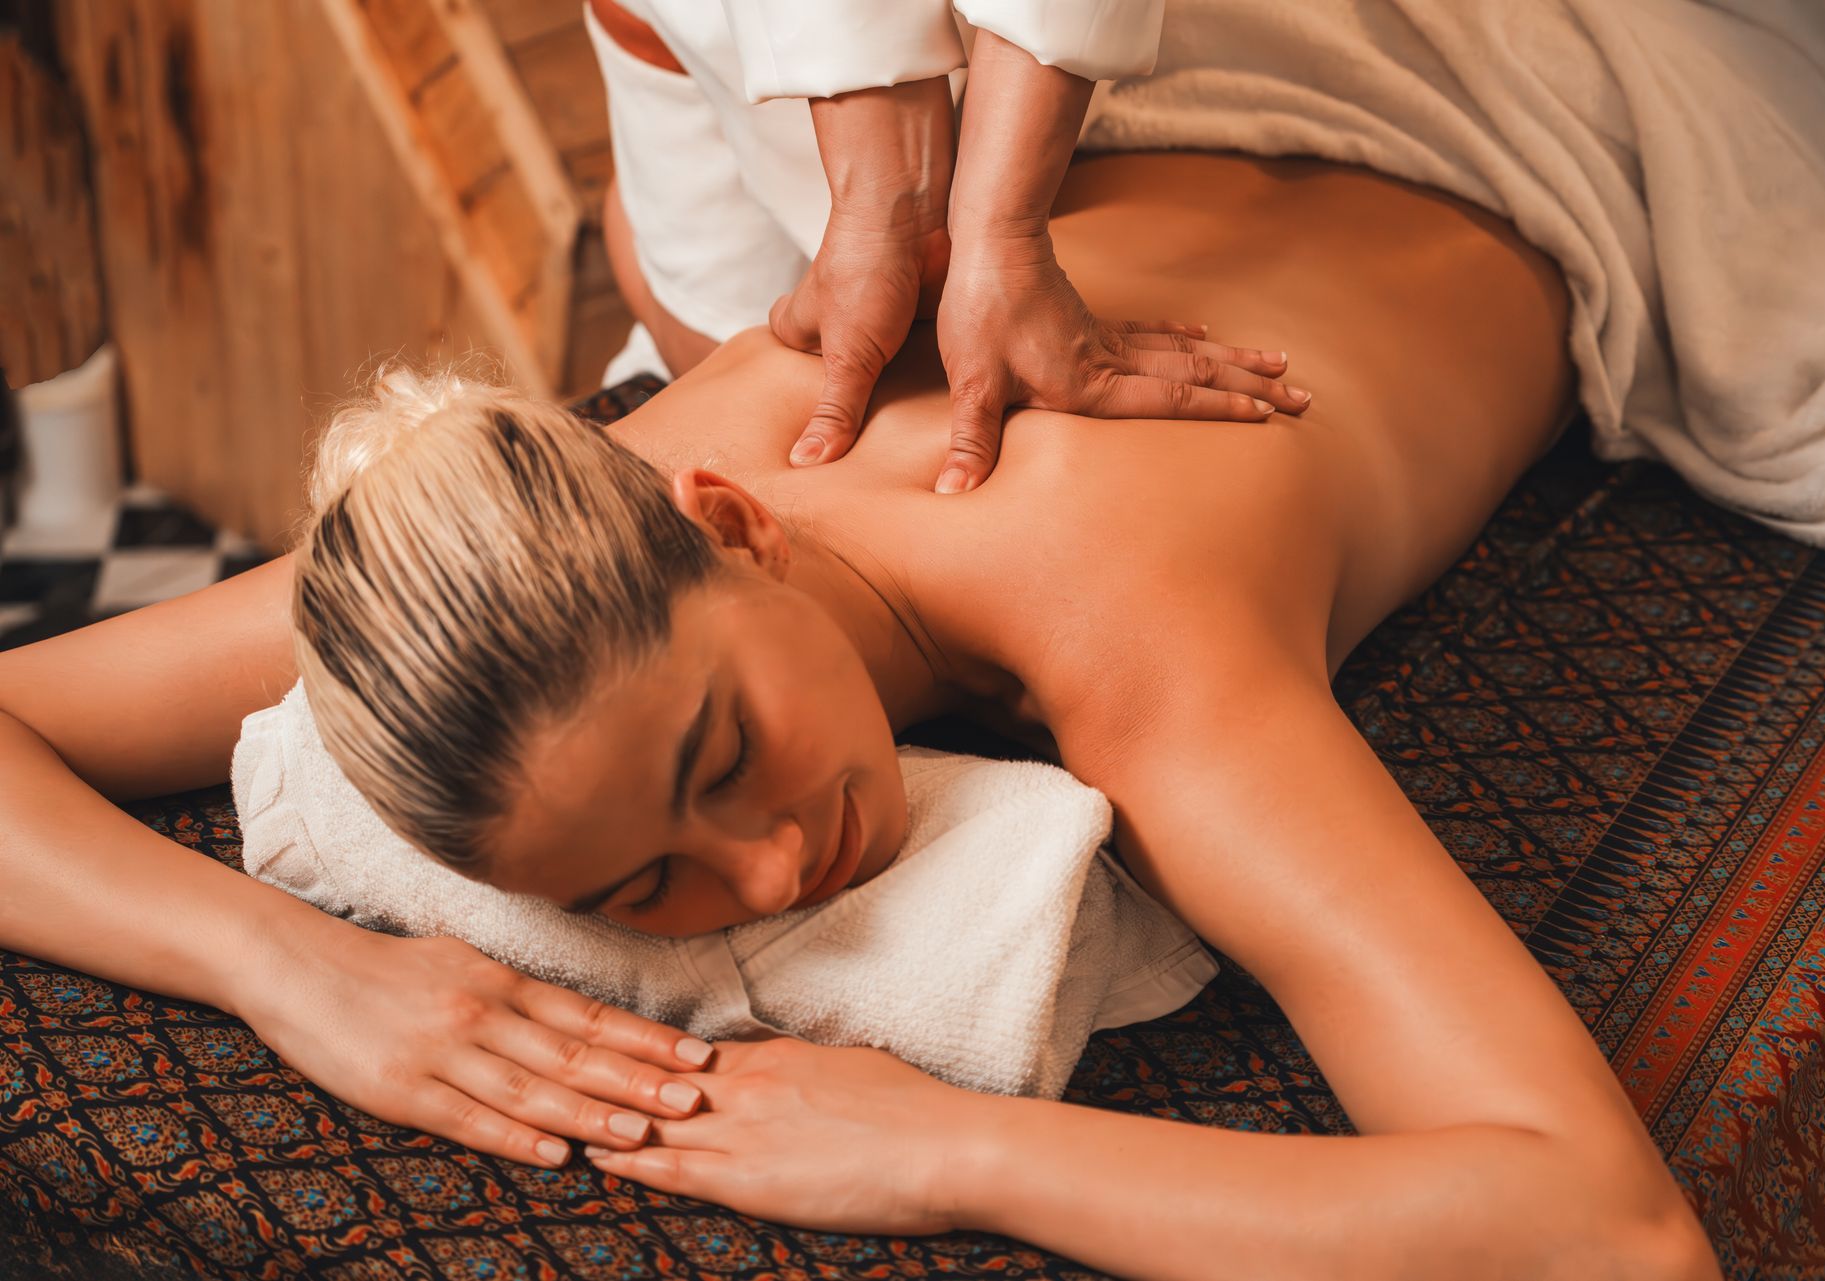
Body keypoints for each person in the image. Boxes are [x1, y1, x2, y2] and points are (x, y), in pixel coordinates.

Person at [0, 148, 1724, 1278]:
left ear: (729, 515)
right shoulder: (541, 536)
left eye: (722, 758)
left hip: (1515, 136)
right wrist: (286, 961)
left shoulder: (1129, 626)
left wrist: (958, 1153)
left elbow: (1602, 1224)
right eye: (634, 894)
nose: (766, 880)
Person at [590, 0, 1312, 496]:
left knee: (719, 329)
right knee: (702, 317)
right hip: (679, 37)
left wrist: (1001, 232)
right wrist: (885, 206)